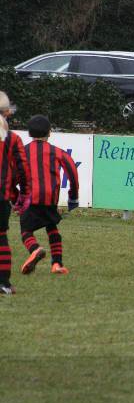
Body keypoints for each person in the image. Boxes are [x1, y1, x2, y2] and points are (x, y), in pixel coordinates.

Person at [19, 115, 79, 275]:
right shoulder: (57, 152)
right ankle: (57, 264)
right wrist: (73, 196)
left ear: (29, 133)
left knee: (26, 230)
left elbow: (12, 173)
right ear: (49, 132)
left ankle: (35, 249)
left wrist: (14, 196)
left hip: (31, 198)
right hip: (50, 198)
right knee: (52, 227)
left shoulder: (23, 152)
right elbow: (72, 171)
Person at [0, 97, 30, 294]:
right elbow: (22, 170)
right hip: (1, 196)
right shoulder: (12, 139)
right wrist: (23, 195)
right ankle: (3, 283)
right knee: (1, 237)